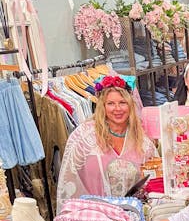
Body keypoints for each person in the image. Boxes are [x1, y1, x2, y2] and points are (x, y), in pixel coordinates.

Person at [57, 75, 156, 205]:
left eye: (122, 103)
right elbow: (68, 180)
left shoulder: (142, 141)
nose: (117, 109)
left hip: (131, 215)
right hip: (95, 217)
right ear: (102, 106)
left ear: (130, 105)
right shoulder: (84, 137)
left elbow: (153, 178)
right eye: (111, 103)